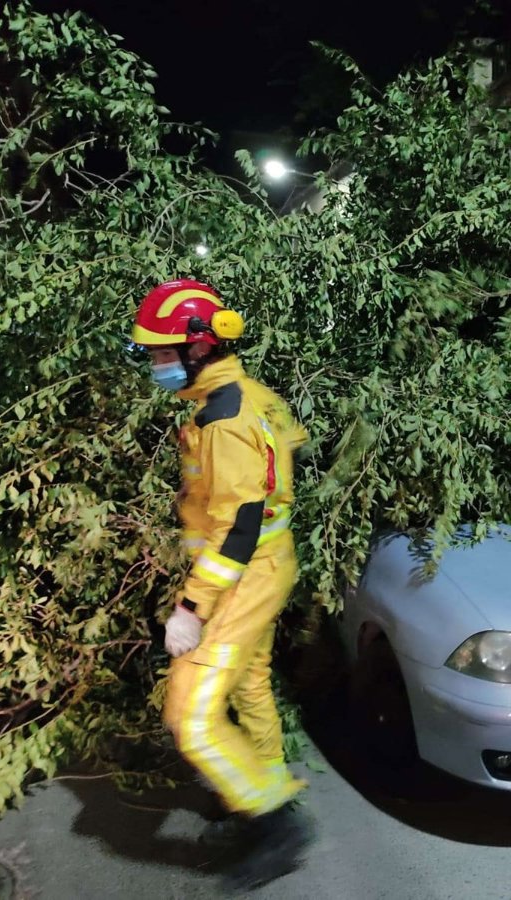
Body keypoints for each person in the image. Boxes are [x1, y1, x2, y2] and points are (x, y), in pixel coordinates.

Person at [130, 278, 313, 891]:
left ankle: (275, 825)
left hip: (241, 577)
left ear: (200, 347)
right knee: (251, 684)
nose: (156, 364)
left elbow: (239, 524)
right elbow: (283, 456)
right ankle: (265, 792)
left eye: (162, 352)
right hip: (264, 566)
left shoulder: (225, 419)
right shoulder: (248, 396)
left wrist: (190, 607)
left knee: (190, 713)